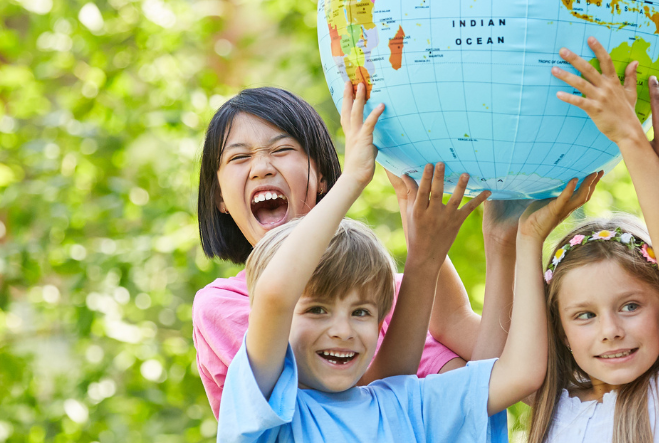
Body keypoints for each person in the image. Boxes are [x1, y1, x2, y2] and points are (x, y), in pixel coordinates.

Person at [217, 82, 600, 443]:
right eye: (317, 310)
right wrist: (354, 177)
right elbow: (276, 295)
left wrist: (523, 239)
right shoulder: (263, 418)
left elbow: (518, 373)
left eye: (362, 312)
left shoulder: (404, 404)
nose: (343, 330)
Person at [192, 86, 520, 417]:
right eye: (239, 157)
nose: (261, 167)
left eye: (282, 149)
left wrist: (503, 242)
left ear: (320, 176)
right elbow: (352, 409)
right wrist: (421, 259)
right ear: (219, 196)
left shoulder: (386, 290)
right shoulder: (224, 304)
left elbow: (481, 389)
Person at [514, 36, 659, 443]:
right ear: (558, 330)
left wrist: (628, 135)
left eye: (631, 306)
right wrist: (527, 238)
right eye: (583, 316)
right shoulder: (549, 402)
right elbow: (452, 321)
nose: (611, 331)